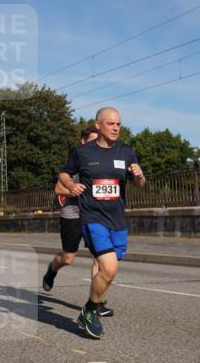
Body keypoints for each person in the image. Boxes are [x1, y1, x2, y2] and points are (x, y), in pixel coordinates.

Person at [59, 107, 146, 339]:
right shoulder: (83, 152)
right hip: (92, 218)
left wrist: (138, 175)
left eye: (119, 124)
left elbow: (139, 185)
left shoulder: (126, 151)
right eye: (111, 124)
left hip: (117, 220)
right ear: (98, 125)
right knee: (109, 267)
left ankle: (90, 307)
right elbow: (64, 174)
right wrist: (70, 186)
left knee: (109, 272)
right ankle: (91, 309)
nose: (116, 128)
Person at [42, 126, 110, 314]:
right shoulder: (77, 159)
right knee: (68, 258)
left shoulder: (102, 160)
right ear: (83, 141)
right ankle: (52, 270)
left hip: (94, 215)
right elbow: (58, 188)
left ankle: (96, 303)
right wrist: (74, 189)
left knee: (100, 258)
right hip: (72, 214)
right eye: (91, 140)